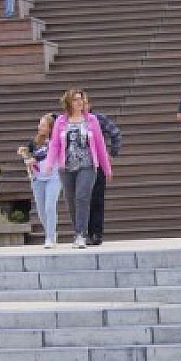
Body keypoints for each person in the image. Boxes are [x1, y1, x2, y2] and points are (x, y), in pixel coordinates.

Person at [43, 90, 112, 249]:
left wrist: (106, 168)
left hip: (87, 165)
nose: (79, 102)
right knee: (71, 201)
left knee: (82, 197)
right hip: (66, 167)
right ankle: (77, 231)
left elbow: (100, 145)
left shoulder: (91, 120)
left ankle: (81, 234)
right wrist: (49, 164)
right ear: (69, 103)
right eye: (75, 100)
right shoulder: (61, 121)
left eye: (81, 99)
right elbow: (54, 145)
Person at [20, 115, 61, 249]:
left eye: (43, 125)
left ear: (50, 128)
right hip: (38, 178)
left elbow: (48, 154)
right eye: (39, 124)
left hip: (53, 176)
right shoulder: (34, 142)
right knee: (41, 210)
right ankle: (51, 232)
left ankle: (49, 237)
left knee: (50, 206)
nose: (40, 127)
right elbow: (29, 155)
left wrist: (35, 159)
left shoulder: (54, 140)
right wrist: (25, 155)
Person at [86, 106, 121, 246]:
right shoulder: (69, 119)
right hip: (77, 165)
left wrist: (112, 152)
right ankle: (84, 232)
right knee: (82, 200)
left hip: (97, 162)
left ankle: (96, 233)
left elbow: (115, 132)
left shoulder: (97, 118)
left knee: (97, 199)